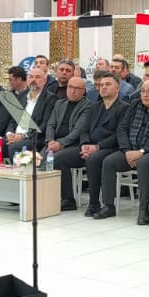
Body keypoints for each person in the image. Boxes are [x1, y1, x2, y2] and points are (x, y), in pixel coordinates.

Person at [94, 77, 149, 222]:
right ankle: (108, 206)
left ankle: (143, 210)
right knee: (109, 161)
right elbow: (121, 129)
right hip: (130, 150)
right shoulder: (135, 104)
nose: (145, 95)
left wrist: (141, 152)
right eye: (142, 91)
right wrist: (127, 151)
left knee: (143, 163)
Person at [81, 70, 133, 220]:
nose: (103, 87)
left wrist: (97, 147)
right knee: (62, 157)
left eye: (108, 84)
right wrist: (85, 144)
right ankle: (73, 200)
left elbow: (119, 134)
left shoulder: (124, 107)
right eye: (101, 85)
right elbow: (84, 129)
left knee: (94, 159)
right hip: (91, 146)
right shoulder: (94, 107)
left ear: (117, 88)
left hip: (112, 147)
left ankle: (104, 204)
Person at [44, 74, 93, 210]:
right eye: (70, 87)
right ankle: (45, 196)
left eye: (77, 88)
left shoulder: (88, 106)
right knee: (39, 157)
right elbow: (51, 124)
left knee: (58, 159)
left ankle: (68, 200)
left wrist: (61, 144)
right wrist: (50, 141)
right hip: (55, 143)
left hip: (75, 145)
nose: (72, 91)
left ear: (83, 91)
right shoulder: (60, 103)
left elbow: (78, 130)